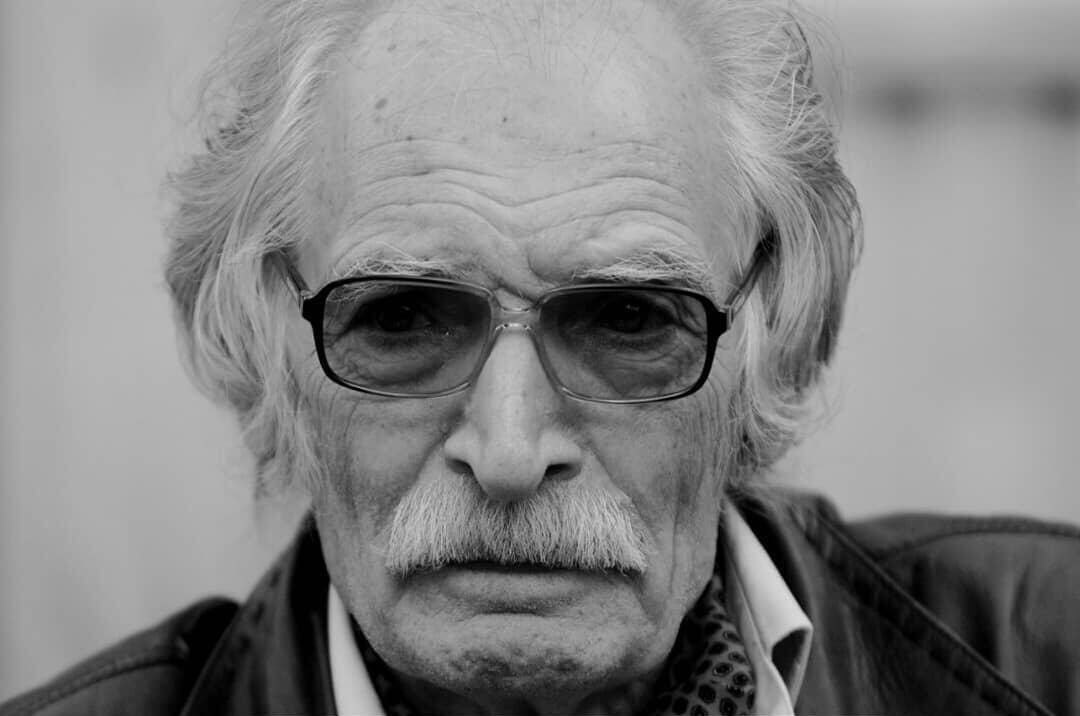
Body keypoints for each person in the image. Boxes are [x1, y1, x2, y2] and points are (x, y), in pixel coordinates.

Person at [3, 0, 1077, 714]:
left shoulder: (1052, 656)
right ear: (261, 341)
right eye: (401, 319)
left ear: (775, 333)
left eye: (627, 320)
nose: (511, 452)